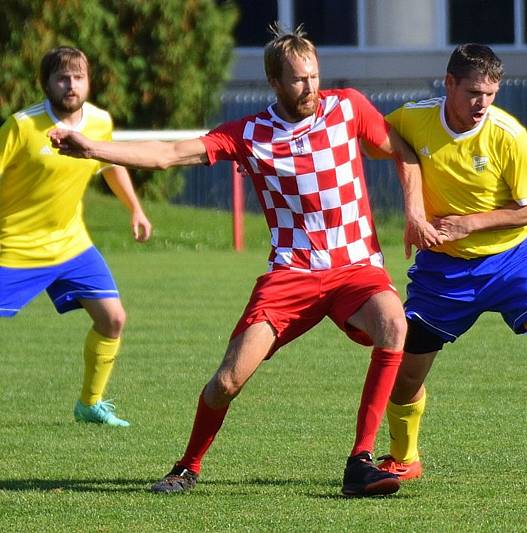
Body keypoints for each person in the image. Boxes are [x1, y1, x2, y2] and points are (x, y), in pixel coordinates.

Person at [50, 26, 440, 497]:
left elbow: (402, 151)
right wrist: (91, 148)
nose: (310, 87)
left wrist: (415, 212)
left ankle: (360, 462)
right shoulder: (251, 134)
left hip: (356, 269)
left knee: (394, 327)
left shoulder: (347, 108)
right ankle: (187, 466)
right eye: (298, 80)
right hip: (291, 276)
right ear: (274, 82)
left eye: (314, 76)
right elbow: (170, 154)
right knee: (228, 380)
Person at [375, 44, 527, 486]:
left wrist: (472, 224)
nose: (482, 104)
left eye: (491, 94)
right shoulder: (412, 117)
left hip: (512, 261)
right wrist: (414, 213)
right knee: (404, 376)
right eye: (474, 92)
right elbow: (384, 140)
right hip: (443, 269)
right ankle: (405, 457)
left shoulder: (507, 135)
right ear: (449, 83)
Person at [0, 46, 152, 428]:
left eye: (78, 77)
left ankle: (90, 404)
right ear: (47, 83)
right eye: (62, 78)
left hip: (71, 245)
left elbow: (111, 164)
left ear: (88, 82)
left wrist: (135, 208)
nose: (71, 85)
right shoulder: (21, 126)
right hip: (13, 247)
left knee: (113, 319)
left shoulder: (99, 122)